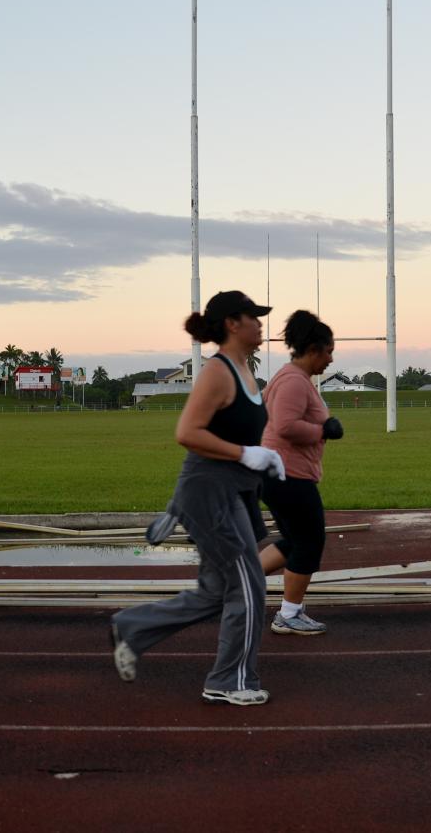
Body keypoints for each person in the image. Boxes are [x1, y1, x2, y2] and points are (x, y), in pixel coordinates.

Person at [110, 291, 284, 706]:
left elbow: (237, 432)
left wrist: (264, 459)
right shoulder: (217, 372)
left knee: (216, 591)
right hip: (209, 495)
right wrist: (246, 454)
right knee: (249, 585)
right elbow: (187, 432)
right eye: (253, 317)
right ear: (231, 324)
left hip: (233, 493)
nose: (261, 325)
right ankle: (229, 680)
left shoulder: (245, 370)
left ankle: (133, 628)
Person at [258, 310, 343, 636]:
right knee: (309, 542)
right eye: (329, 351)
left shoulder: (287, 376)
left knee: (295, 541)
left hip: (281, 473)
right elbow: (285, 426)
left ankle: (240, 583)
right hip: (288, 475)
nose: (331, 359)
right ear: (313, 350)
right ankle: (288, 614)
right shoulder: (294, 381)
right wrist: (324, 429)